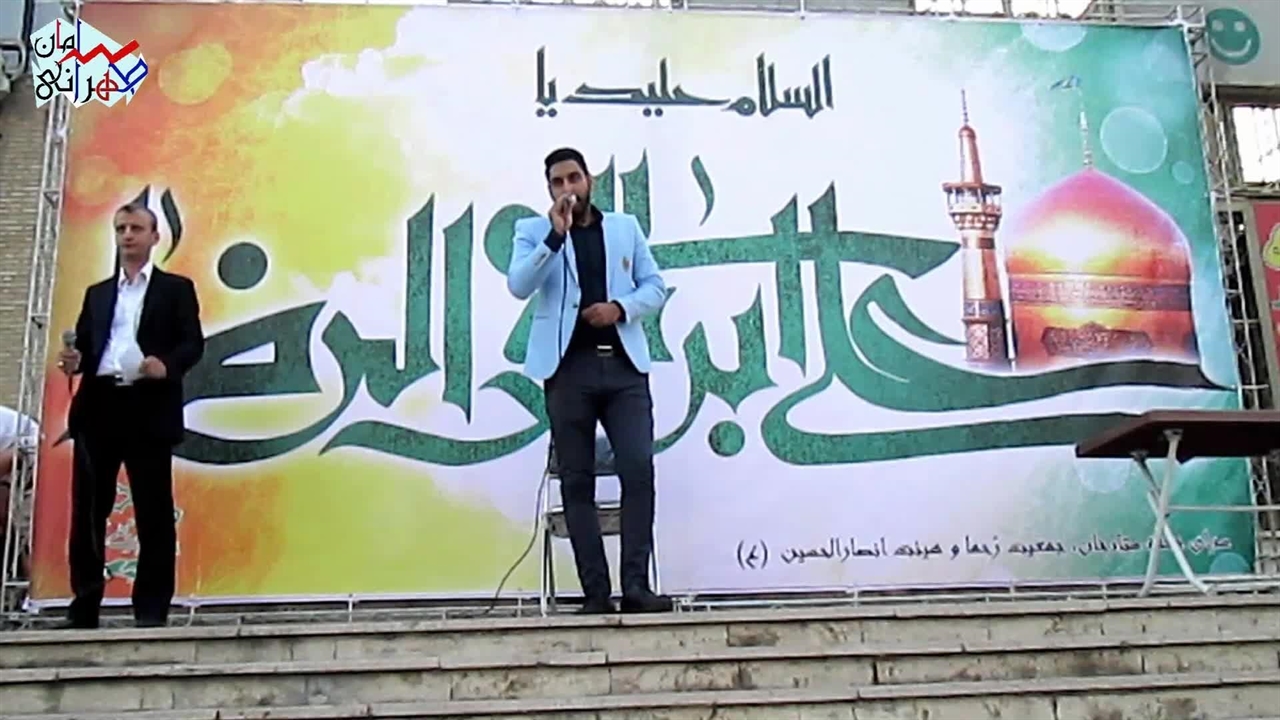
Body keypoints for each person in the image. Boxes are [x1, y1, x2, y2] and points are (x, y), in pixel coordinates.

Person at [507, 147, 671, 614]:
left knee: (637, 469)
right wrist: (554, 237)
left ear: (589, 179)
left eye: (573, 178)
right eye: (557, 182)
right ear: (549, 189)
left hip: (623, 368)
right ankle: (596, 592)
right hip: (568, 369)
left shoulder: (624, 227)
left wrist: (620, 309)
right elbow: (519, 285)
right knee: (577, 481)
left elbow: (655, 287)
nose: (568, 189)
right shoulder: (533, 232)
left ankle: (636, 587)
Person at [56, 202, 204, 629]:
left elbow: (193, 344)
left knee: (153, 511)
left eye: (136, 228)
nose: (127, 235)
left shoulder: (175, 289)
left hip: (148, 404)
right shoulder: (98, 293)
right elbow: (88, 346)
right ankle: (85, 603)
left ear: (155, 237)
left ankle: (152, 609)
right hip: (99, 404)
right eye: (121, 228)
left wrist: (165, 365)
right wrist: (74, 361)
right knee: (89, 510)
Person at [0, 404, 40, 578]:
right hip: (14, 450)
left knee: (31, 531)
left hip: (31, 448)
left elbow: (13, 455)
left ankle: (31, 577)